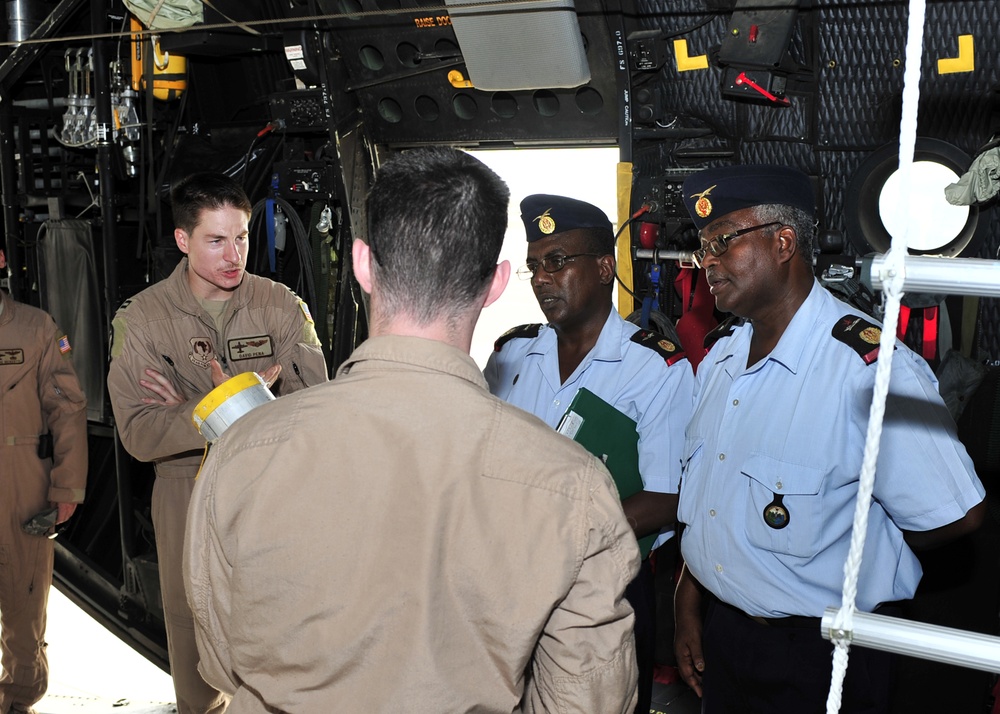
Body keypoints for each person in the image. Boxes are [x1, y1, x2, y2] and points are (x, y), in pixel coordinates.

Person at [183, 147, 641, 712]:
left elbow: (222, 661)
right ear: (498, 283)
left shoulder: (244, 452)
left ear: (361, 264)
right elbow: (584, 701)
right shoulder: (574, 487)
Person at [673, 164, 986, 713]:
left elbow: (955, 515)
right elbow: (712, 504)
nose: (708, 263)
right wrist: (687, 593)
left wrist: (861, 559)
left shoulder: (867, 371)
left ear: (783, 242)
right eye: (703, 248)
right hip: (725, 637)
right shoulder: (720, 360)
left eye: (723, 241)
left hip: (822, 652)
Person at [107, 172, 328, 714]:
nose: (234, 255)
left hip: (273, 490)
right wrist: (241, 401)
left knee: (281, 625)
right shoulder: (143, 321)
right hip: (186, 490)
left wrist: (200, 405)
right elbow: (138, 433)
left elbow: (319, 415)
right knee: (193, 631)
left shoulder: (280, 305)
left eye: (242, 236)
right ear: (183, 240)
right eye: (216, 240)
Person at [484, 194, 695, 713]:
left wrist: (559, 542)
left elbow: (667, 497)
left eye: (557, 261)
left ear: (604, 268)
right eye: (534, 266)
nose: (541, 278)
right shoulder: (510, 355)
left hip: (608, 586)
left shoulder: (654, 369)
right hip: (505, 578)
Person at [0, 248, 88, 714]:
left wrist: (66, 489)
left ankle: (18, 701)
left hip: (22, 486)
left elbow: (68, 409)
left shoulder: (36, 328)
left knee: (23, 603)